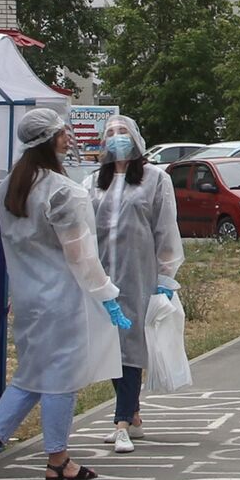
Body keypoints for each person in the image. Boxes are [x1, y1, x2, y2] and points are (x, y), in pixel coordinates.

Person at [0, 108, 128, 480]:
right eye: (62, 133)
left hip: (26, 296)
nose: (68, 138)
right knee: (61, 380)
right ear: (48, 140)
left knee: (31, 375)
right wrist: (107, 294)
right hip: (61, 298)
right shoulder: (62, 191)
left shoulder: (9, 187)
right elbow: (80, 254)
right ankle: (58, 459)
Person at [93, 115, 184, 455]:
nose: (116, 138)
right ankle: (134, 416)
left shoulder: (154, 179)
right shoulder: (95, 182)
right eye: (110, 133)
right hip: (103, 277)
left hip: (139, 276)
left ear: (136, 139)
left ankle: (120, 424)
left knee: (130, 347)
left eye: (122, 132)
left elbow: (166, 229)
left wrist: (164, 276)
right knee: (110, 346)